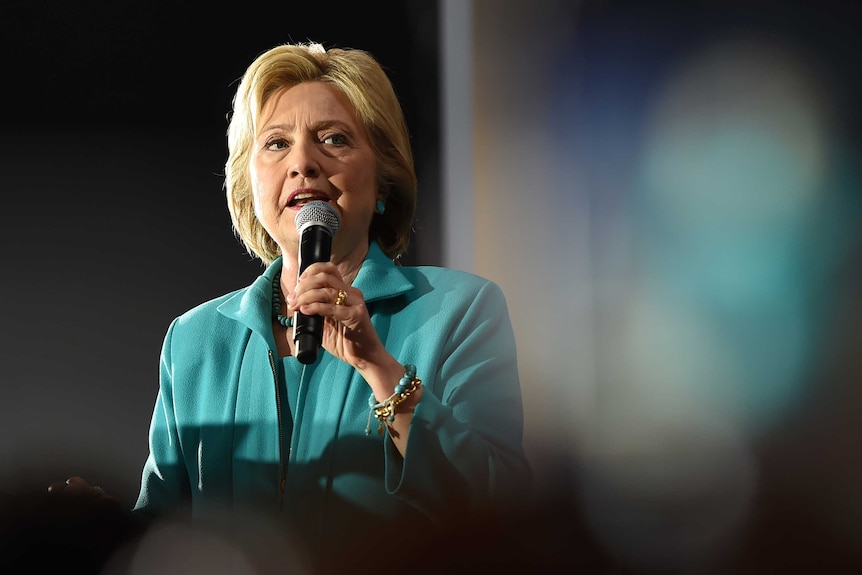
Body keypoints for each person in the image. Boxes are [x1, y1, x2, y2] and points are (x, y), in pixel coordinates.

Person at [49, 41, 532, 573]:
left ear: (383, 183)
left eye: (334, 139)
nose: (304, 162)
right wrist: (103, 526)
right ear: (250, 184)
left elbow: (501, 508)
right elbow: (167, 528)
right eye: (276, 144)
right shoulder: (195, 341)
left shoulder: (459, 311)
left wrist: (379, 368)